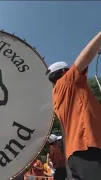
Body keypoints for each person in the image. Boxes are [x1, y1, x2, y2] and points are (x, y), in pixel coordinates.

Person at [47, 31, 101, 179]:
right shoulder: (67, 81)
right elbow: (85, 56)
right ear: (65, 71)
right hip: (88, 146)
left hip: (75, 155)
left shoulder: (57, 96)